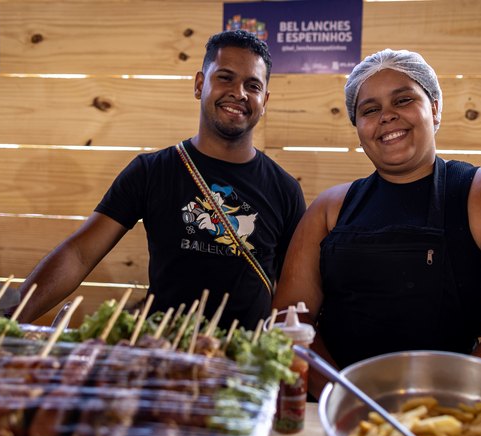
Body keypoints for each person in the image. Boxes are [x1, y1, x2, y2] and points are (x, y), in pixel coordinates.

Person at [272, 49, 481, 398]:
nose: (387, 116)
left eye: (403, 99)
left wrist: (441, 403)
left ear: (435, 108)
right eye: (370, 109)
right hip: (333, 408)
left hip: (443, 418)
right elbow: (288, 318)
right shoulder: (330, 208)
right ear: (358, 126)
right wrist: (341, 397)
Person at [17, 30, 306, 329]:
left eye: (252, 85)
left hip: (243, 365)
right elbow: (78, 255)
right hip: (162, 357)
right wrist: (12, 316)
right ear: (199, 85)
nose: (239, 92)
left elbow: (295, 292)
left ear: (265, 100)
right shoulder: (151, 171)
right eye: (225, 77)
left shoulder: (285, 189)